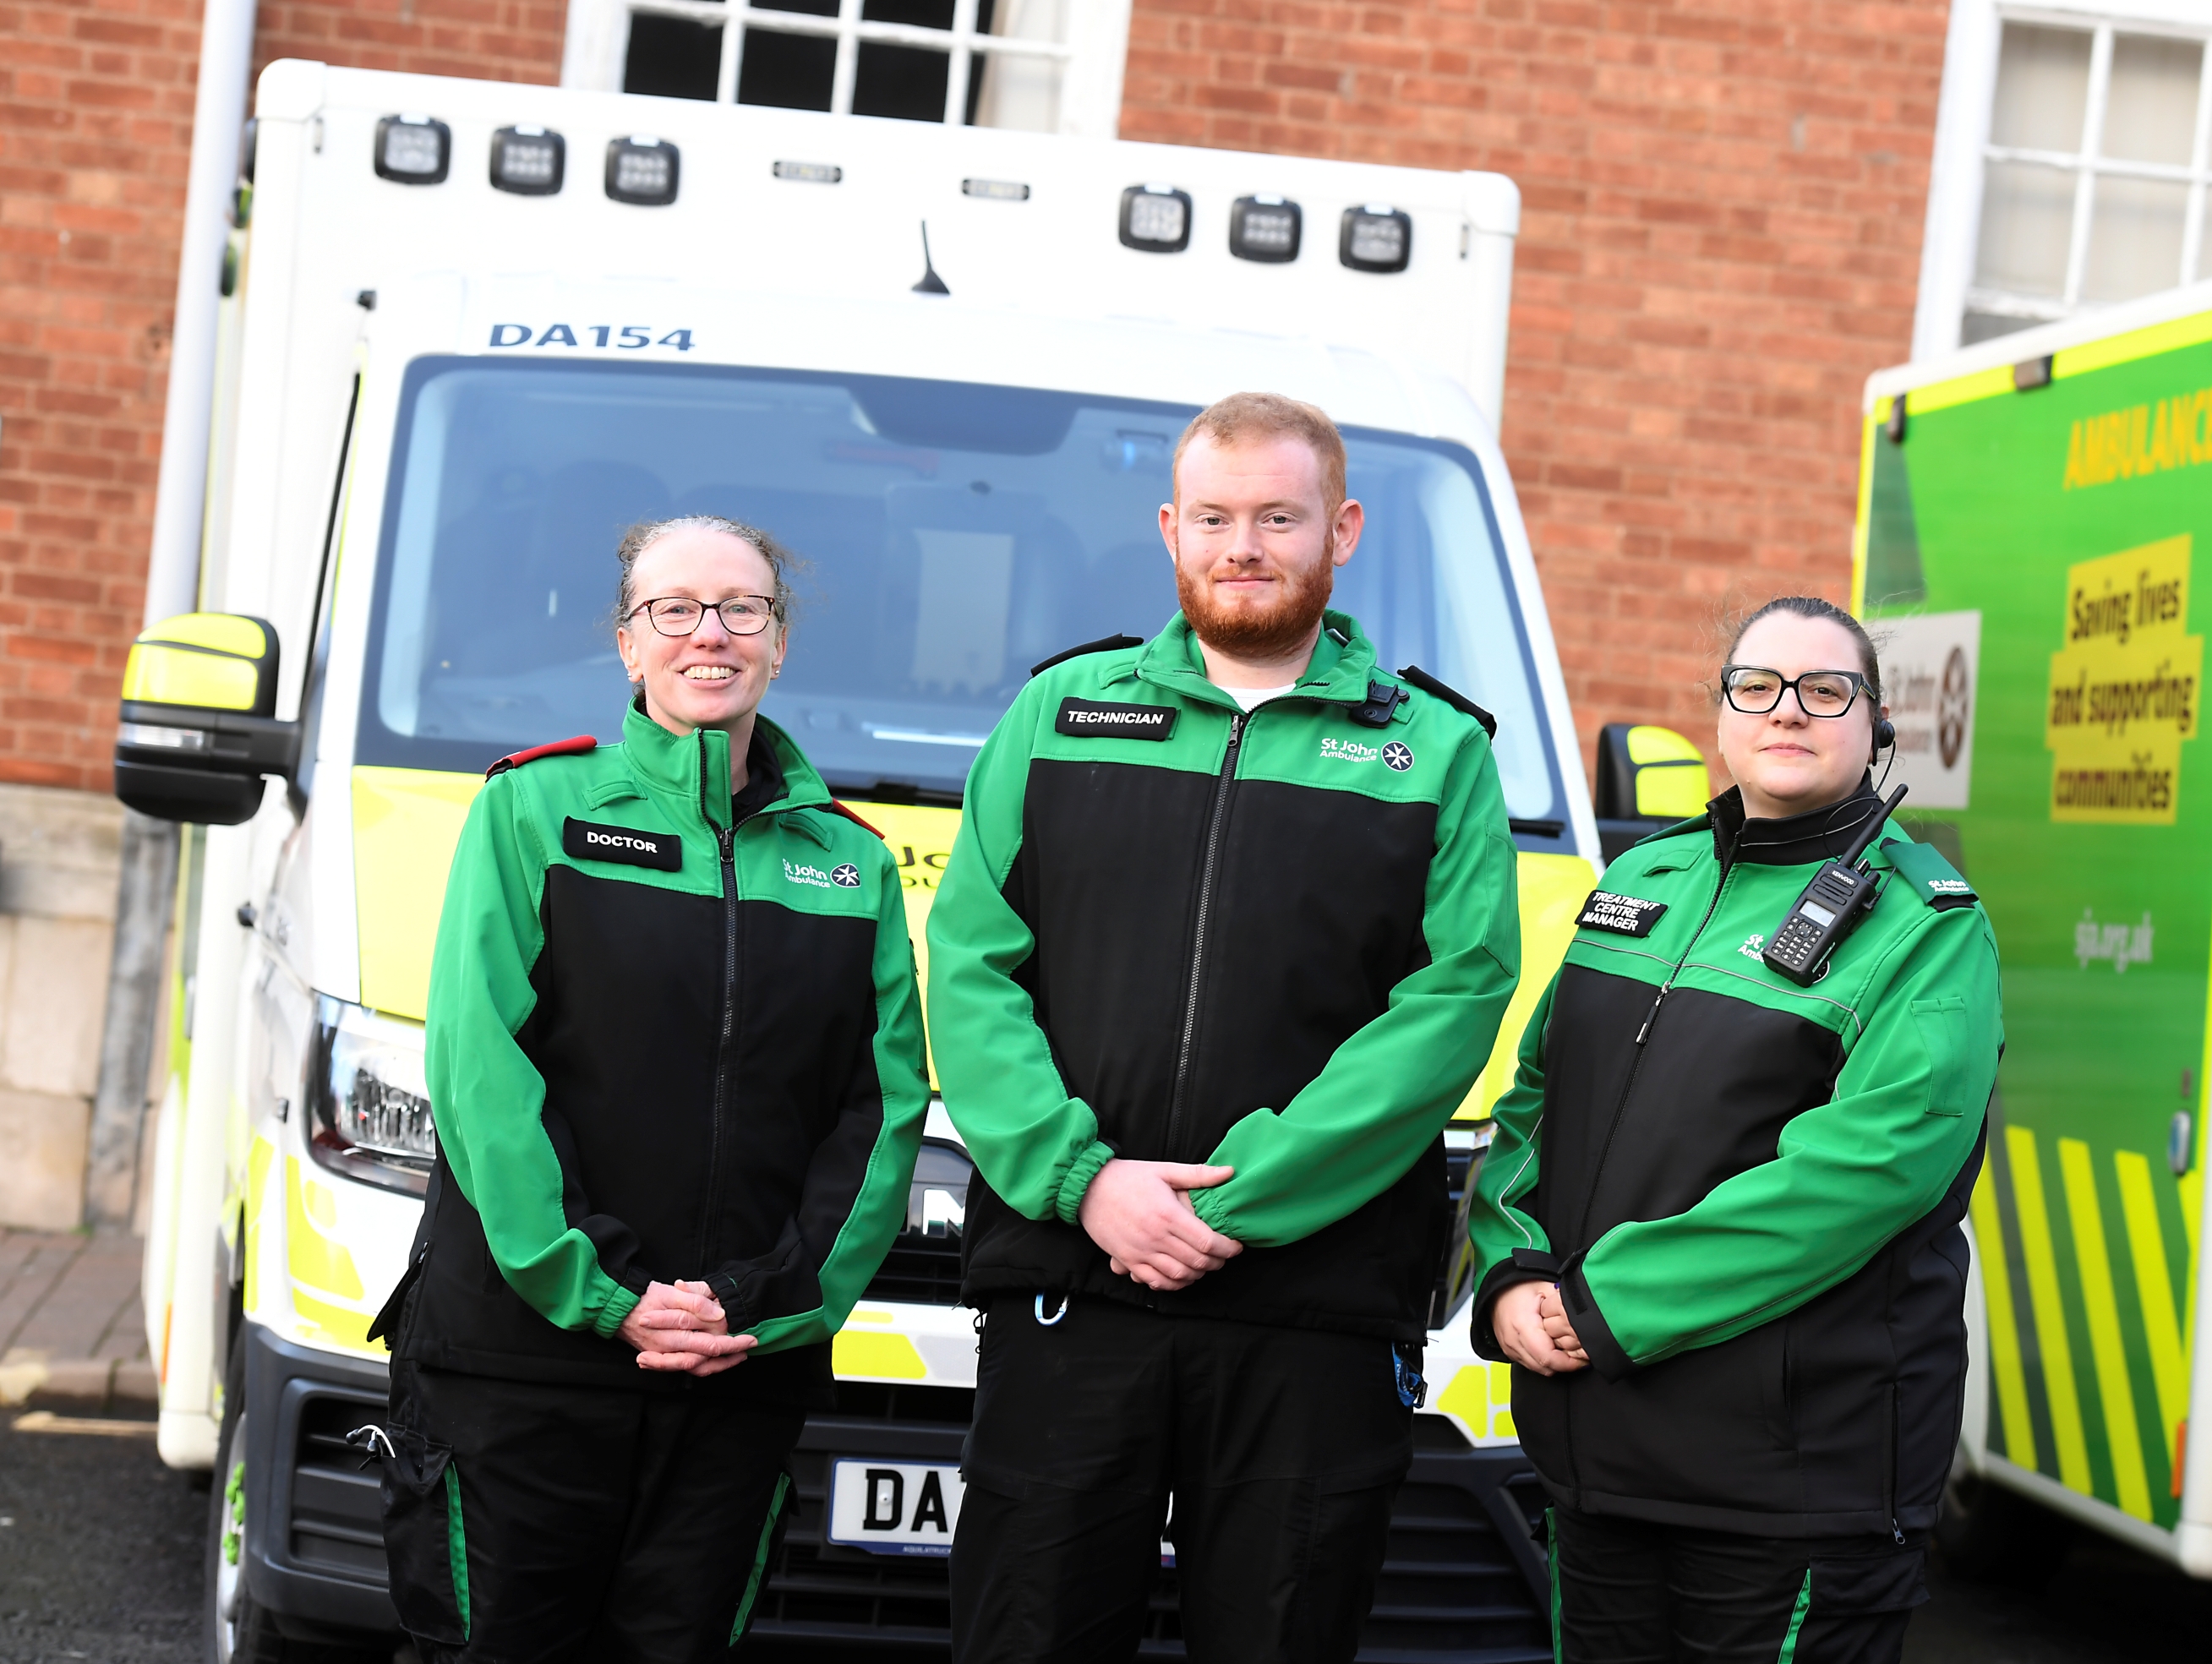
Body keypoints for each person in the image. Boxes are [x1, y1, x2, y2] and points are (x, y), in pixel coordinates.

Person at [927, 391, 1521, 1663]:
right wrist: (1083, 1182)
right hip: (1074, 1286)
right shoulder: (1058, 715)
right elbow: (972, 967)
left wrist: (1236, 1196)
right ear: (1170, 529)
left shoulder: (1436, 750)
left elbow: (1457, 995)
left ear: (1341, 529)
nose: (1241, 544)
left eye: (1276, 517)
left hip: (1310, 1311)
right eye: (1213, 517)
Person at [369, 515, 930, 1661]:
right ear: (629, 644)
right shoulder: (532, 812)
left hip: (735, 1367)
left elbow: (880, 1115)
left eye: (742, 609)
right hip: (524, 1361)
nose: (708, 633)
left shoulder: (852, 862)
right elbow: (482, 1076)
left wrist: (766, 1302)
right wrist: (604, 1290)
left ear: (780, 644)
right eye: (674, 608)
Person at [1467, 595, 2002, 1663]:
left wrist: (1607, 1300)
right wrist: (1512, 1267)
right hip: (1601, 1456)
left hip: (1792, 1484)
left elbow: (1865, 1174)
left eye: (1826, 690)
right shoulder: (1639, 881)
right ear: (1720, 718)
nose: (1787, 711)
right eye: (1756, 686)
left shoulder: (1930, 927)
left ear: (1876, 722)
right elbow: (1532, 1100)